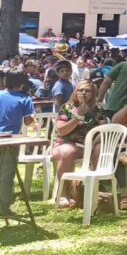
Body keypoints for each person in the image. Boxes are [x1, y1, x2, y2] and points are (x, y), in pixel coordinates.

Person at [52, 80, 107, 208]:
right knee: (68, 151)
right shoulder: (67, 108)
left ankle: (95, 188)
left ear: (93, 94)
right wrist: (78, 116)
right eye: (81, 90)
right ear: (75, 92)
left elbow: (103, 130)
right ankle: (64, 193)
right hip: (64, 144)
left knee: (99, 149)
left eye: (88, 91)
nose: (84, 93)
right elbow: (61, 130)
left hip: (88, 146)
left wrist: (96, 138)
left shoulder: (97, 110)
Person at [0, 71, 35, 217]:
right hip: (11, 139)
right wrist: (33, 116)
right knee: (7, 174)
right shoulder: (25, 99)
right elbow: (28, 121)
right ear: (22, 84)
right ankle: (3, 206)